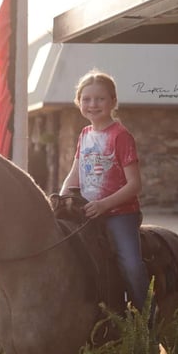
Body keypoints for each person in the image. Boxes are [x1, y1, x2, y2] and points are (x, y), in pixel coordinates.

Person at [59, 69, 149, 312]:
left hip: (119, 214)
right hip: (87, 210)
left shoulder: (121, 136)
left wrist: (104, 205)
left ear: (113, 101)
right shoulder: (85, 134)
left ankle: (145, 317)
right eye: (86, 99)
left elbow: (134, 185)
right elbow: (75, 173)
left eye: (100, 99)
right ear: (78, 102)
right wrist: (60, 197)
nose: (93, 104)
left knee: (131, 265)